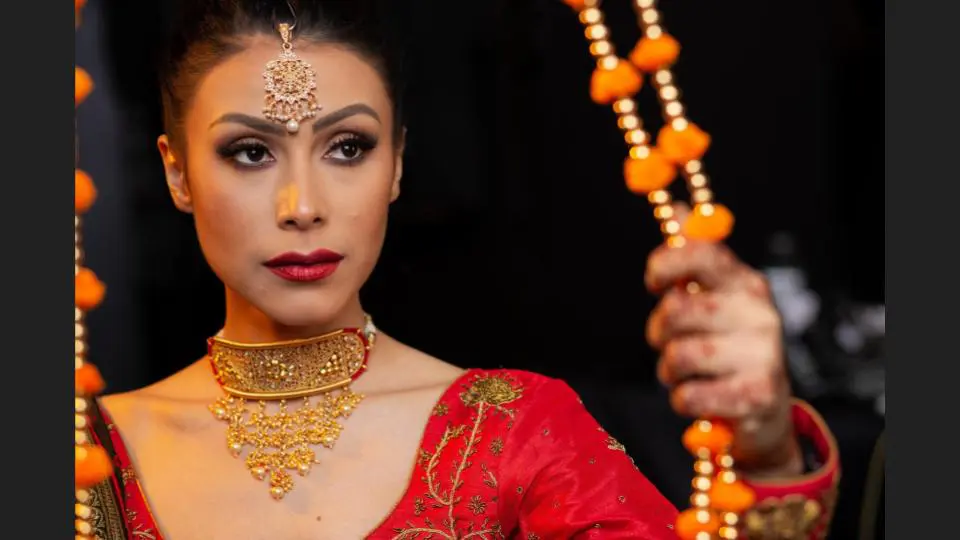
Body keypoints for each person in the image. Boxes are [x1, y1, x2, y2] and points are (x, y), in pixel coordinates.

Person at [82, 1, 839, 538]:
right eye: (250, 152)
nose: (302, 204)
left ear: (398, 164)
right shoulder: (89, 462)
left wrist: (766, 455)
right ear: (178, 175)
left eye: (348, 147)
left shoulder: (515, 432)